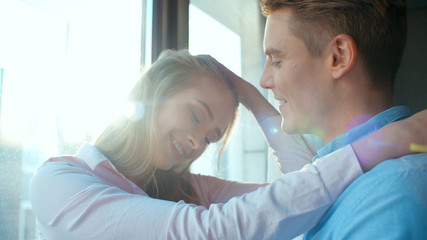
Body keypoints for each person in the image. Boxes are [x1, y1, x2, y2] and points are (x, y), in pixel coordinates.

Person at [29, 49, 425, 240]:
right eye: (197, 115)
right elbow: (209, 233)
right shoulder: (60, 180)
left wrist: (255, 98)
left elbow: (302, 188)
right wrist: (381, 144)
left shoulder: (188, 189)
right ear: (155, 92)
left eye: (211, 137)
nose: (196, 142)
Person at [257, 0, 427, 239]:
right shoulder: (368, 187)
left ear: (339, 56)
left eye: (276, 60)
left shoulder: (390, 198)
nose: (264, 80)